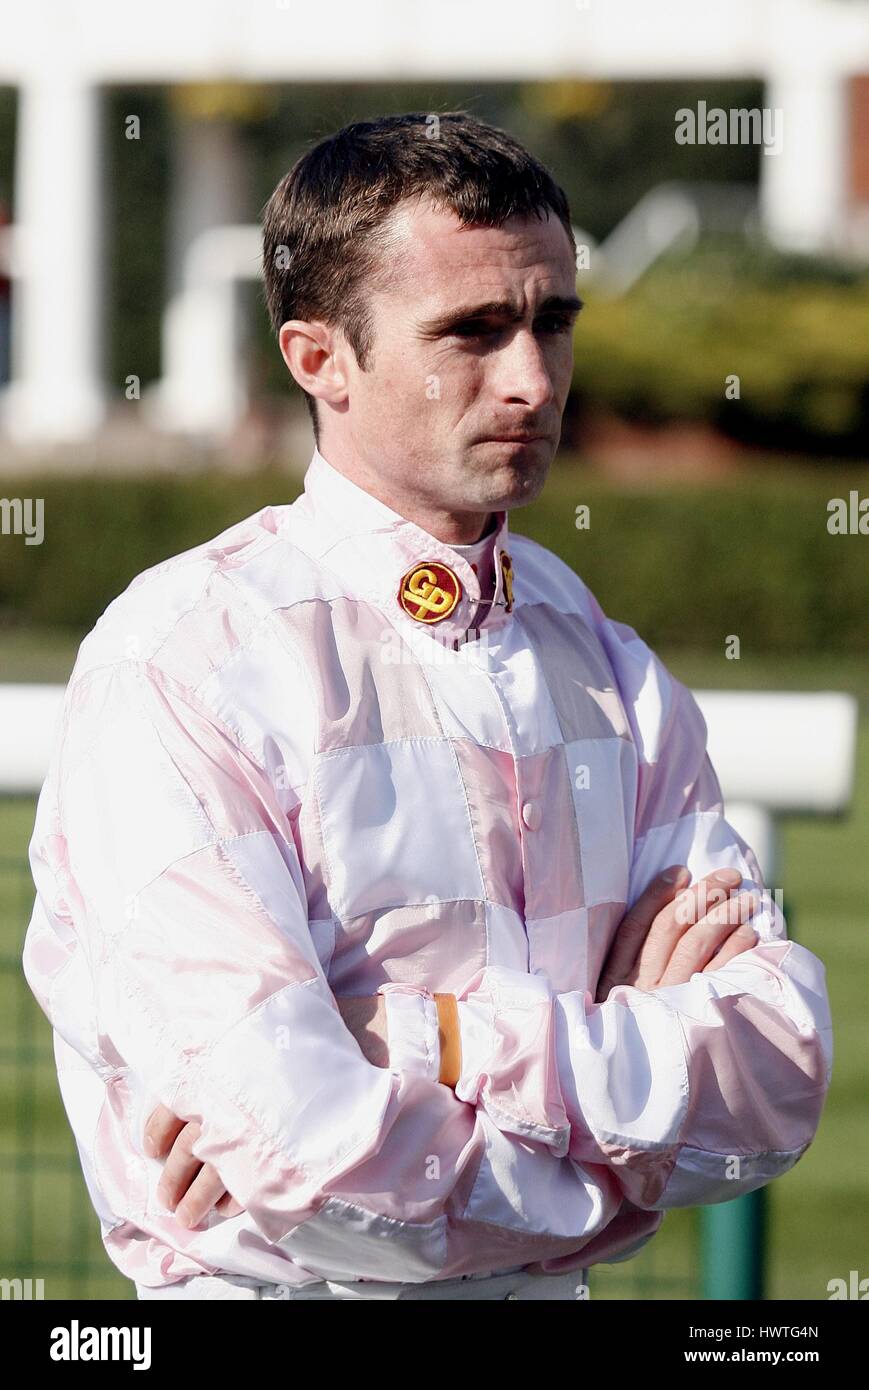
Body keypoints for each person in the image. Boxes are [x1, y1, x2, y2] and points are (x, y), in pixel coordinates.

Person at [22, 112, 832, 1303]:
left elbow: (767, 1080)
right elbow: (311, 1168)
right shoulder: (178, 660)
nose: (531, 378)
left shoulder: (604, 658)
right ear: (317, 359)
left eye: (552, 321)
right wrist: (618, 1181)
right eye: (471, 329)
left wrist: (423, 1040)